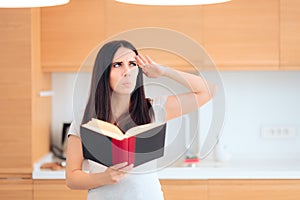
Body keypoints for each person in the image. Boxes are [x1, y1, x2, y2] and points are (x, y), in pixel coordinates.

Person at [66, 40, 213, 200]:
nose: (127, 71)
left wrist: (164, 71)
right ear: (103, 72)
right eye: (117, 65)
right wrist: (104, 178)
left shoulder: (155, 109)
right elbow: (72, 178)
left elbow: (207, 91)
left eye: (132, 64)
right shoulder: (84, 119)